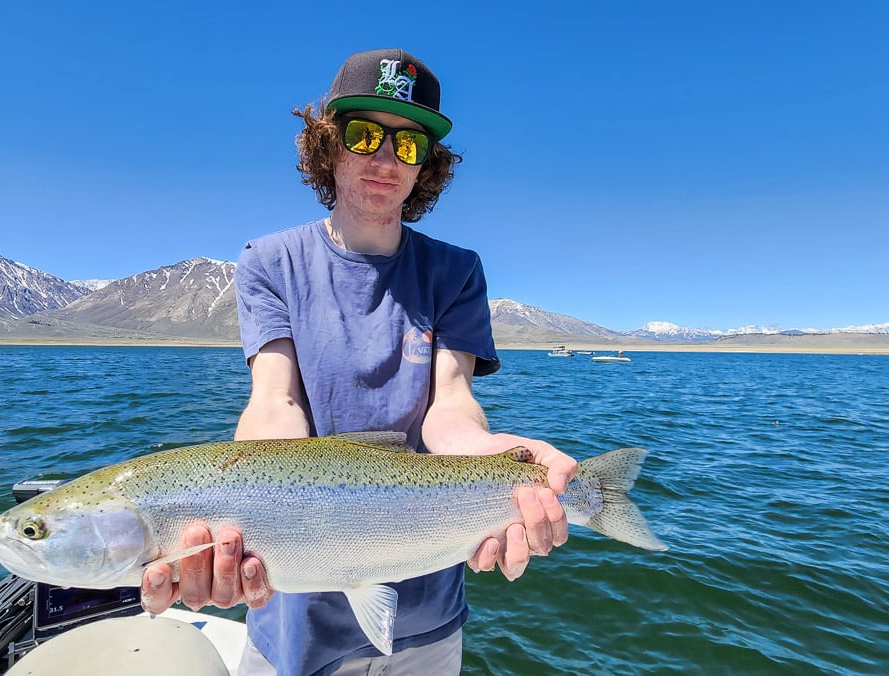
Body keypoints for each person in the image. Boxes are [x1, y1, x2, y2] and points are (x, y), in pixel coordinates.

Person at [141, 48, 579, 675]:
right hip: (292, 610)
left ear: (427, 165)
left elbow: (448, 410)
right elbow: (275, 401)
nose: (384, 159)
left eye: (409, 144)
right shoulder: (270, 263)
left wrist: (497, 461)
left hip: (430, 605)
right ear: (328, 144)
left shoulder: (457, 272)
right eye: (365, 134)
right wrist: (232, 516)